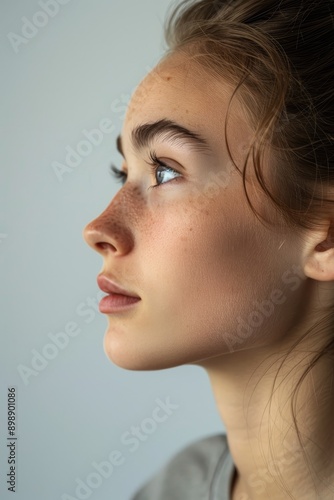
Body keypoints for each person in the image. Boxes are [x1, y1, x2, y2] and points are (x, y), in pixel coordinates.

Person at [82, 0, 334, 498]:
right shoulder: (172, 489)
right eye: (123, 172)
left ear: (325, 236)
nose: (98, 228)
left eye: (166, 171)